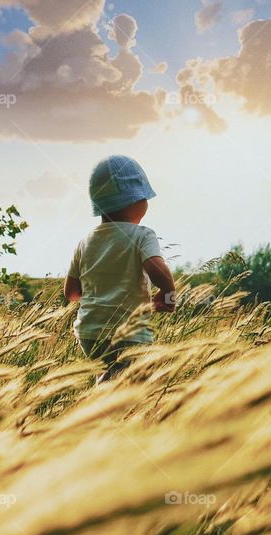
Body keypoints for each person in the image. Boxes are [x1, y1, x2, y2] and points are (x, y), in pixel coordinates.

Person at [64, 155, 176, 382]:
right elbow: (157, 270)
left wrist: (101, 291)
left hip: (88, 334)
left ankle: (102, 401)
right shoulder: (142, 235)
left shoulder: (85, 242)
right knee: (134, 383)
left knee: (111, 374)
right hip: (130, 334)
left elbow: (72, 293)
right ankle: (102, 405)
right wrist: (167, 292)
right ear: (133, 201)